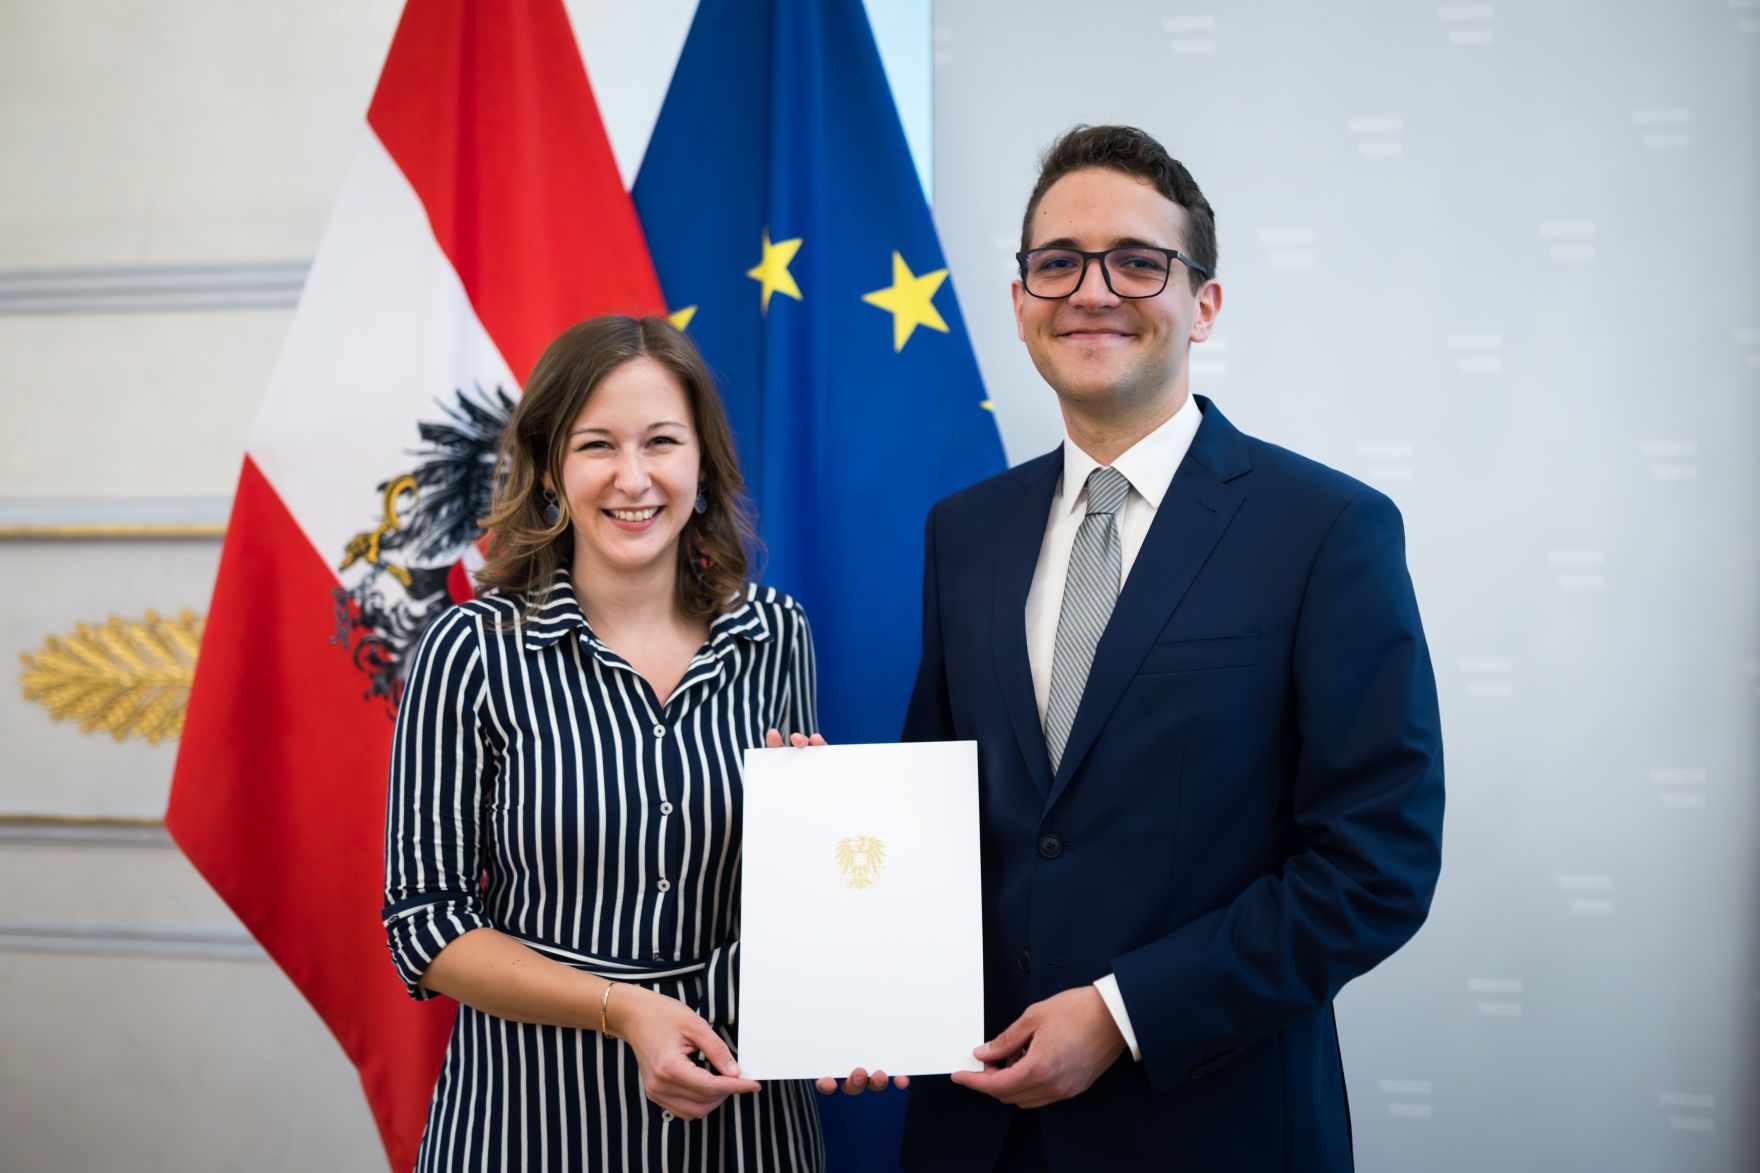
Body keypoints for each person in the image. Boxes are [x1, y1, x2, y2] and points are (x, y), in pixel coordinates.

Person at [894, 126, 1446, 1171]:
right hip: (977, 1130)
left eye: (1136, 262)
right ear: (1018, 304)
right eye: (1055, 262)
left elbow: (1375, 863)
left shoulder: (1324, 529)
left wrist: (1120, 1014)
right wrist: (843, 902)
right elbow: (942, 816)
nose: (1090, 289)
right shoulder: (960, 532)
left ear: (1202, 303)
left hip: (1210, 1125)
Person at [381, 315, 889, 1172]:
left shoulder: (776, 634)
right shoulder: (469, 650)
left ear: (702, 462)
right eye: (596, 446)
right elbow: (424, 924)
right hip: (527, 1122)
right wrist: (625, 1009)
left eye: (661, 441)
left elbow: (795, 894)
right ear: (549, 466)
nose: (633, 477)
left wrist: (845, 993)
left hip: (742, 1125)